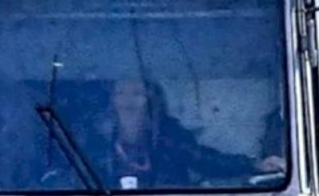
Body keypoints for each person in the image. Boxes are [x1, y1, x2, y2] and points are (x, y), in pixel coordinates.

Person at [89, 78, 283, 189]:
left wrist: (254, 164)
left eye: (137, 93)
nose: (127, 100)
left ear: (151, 100)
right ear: (112, 99)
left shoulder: (168, 134)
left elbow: (203, 160)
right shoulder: (92, 138)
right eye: (121, 93)